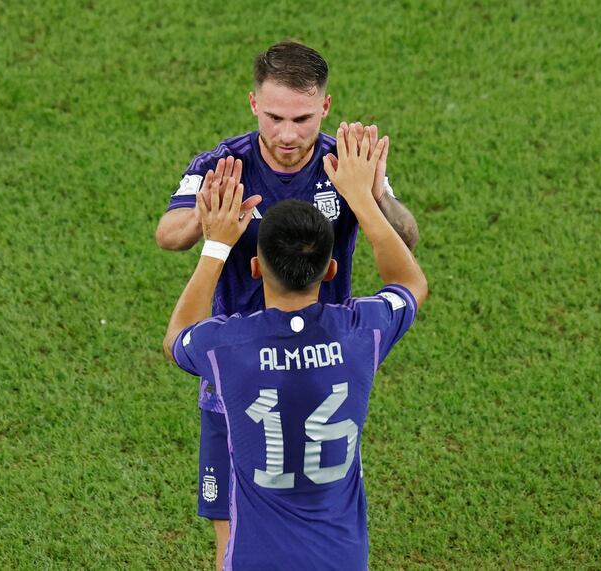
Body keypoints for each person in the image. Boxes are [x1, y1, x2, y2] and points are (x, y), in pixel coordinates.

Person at [155, 40, 420, 568]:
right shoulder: (221, 164)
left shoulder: (345, 164)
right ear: (254, 104)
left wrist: (372, 193)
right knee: (239, 527)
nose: (287, 134)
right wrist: (206, 216)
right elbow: (168, 233)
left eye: (301, 118)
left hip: (289, 359)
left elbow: (405, 232)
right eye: (274, 116)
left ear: (324, 107)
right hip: (251, 369)